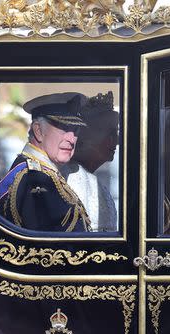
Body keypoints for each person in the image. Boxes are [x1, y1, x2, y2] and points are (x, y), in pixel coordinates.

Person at [0, 92, 91, 232]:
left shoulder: (42, 173)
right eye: (64, 128)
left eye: (75, 130)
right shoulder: (33, 178)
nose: (72, 139)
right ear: (38, 130)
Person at [61, 91, 119, 231]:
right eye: (109, 133)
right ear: (85, 138)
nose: (117, 141)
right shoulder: (69, 181)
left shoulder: (92, 181)